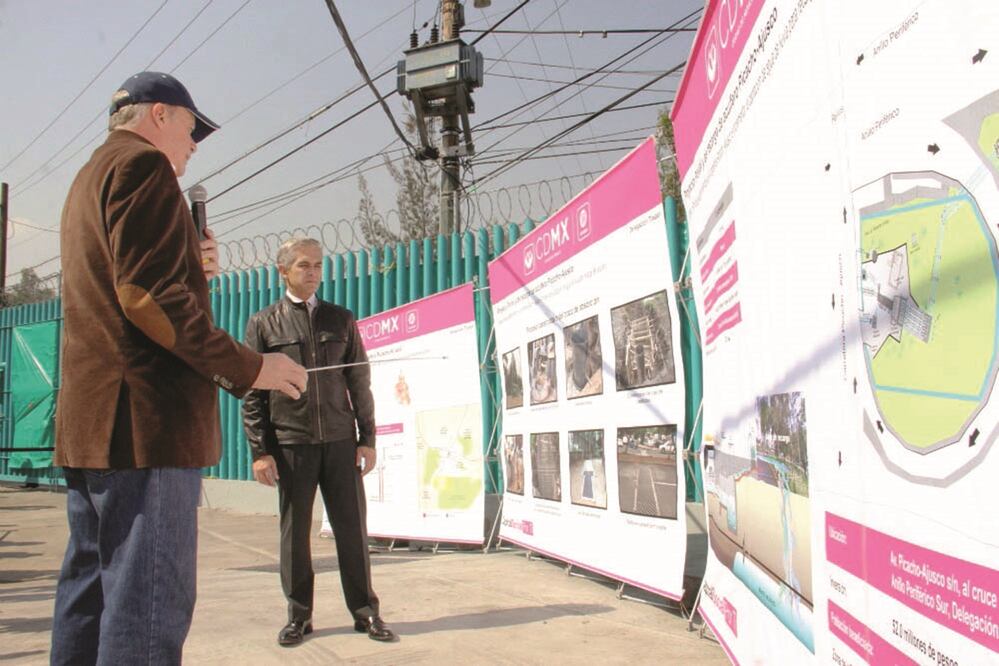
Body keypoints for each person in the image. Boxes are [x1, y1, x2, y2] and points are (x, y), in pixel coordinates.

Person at [50, 72, 308, 665]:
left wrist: (189, 264)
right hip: (146, 429)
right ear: (159, 115)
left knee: (90, 595)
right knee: (146, 606)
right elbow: (148, 299)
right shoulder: (144, 169)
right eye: (192, 129)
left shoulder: (91, 175)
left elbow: (121, 290)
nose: (194, 145)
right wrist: (251, 369)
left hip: (94, 428)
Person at [242, 237, 396, 647]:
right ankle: (299, 617)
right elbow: (251, 393)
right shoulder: (264, 324)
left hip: (341, 442)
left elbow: (359, 381)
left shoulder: (340, 319)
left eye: (317, 265)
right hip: (292, 443)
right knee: (295, 535)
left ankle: (365, 613)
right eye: (303, 266)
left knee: (351, 529)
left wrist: (367, 438)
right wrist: (260, 451)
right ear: (284, 272)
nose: (312, 272)